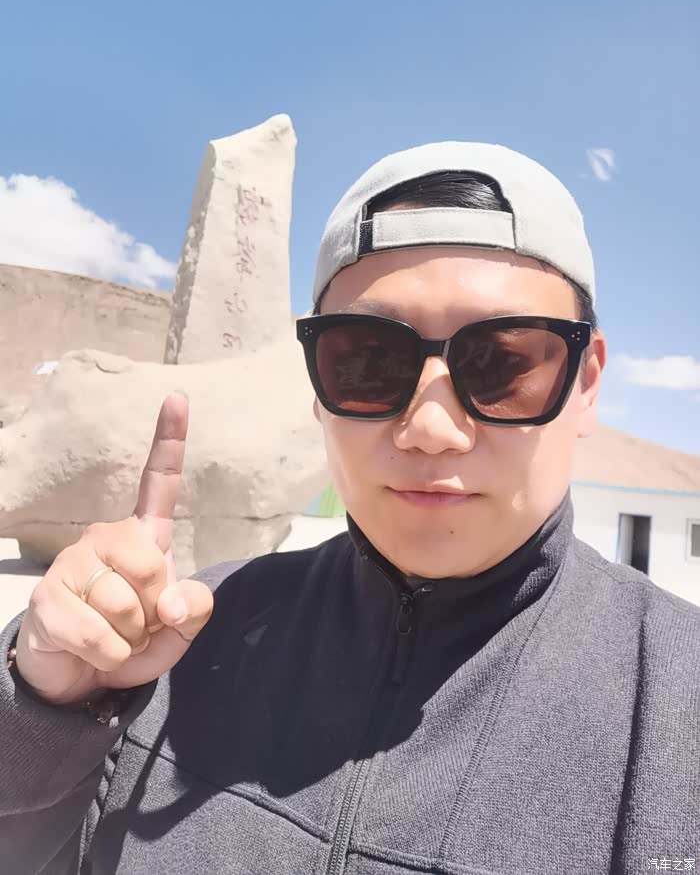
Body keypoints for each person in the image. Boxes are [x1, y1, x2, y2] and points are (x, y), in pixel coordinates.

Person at [1, 142, 698, 875]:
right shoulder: (186, 636)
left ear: (585, 383)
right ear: (317, 382)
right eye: (370, 361)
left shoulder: (675, 708)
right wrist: (42, 711)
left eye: (500, 364)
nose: (431, 428)